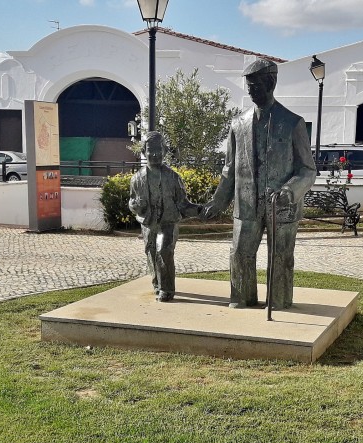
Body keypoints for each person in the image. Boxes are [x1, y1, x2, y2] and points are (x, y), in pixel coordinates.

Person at [203, 58, 317, 310]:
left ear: (271, 83)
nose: (249, 90)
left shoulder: (292, 123)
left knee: (280, 257)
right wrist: (219, 201)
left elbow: (307, 170)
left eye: (255, 85)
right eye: (248, 85)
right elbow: (229, 168)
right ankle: (242, 297)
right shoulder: (238, 125)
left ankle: (278, 301)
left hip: (282, 207)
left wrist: (290, 190)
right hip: (246, 204)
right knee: (240, 254)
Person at [128, 131, 199, 302]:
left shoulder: (174, 178)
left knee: (164, 251)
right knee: (151, 253)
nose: (154, 154)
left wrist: (201, 211)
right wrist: (134, 206)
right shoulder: (137, 179)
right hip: (148, 223)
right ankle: (158, 284)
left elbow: (183, 204)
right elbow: (131, 200)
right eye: (150, 150)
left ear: (165, 151)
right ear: (144, 152)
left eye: (158, 150)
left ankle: (167, 289)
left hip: (168, 221)